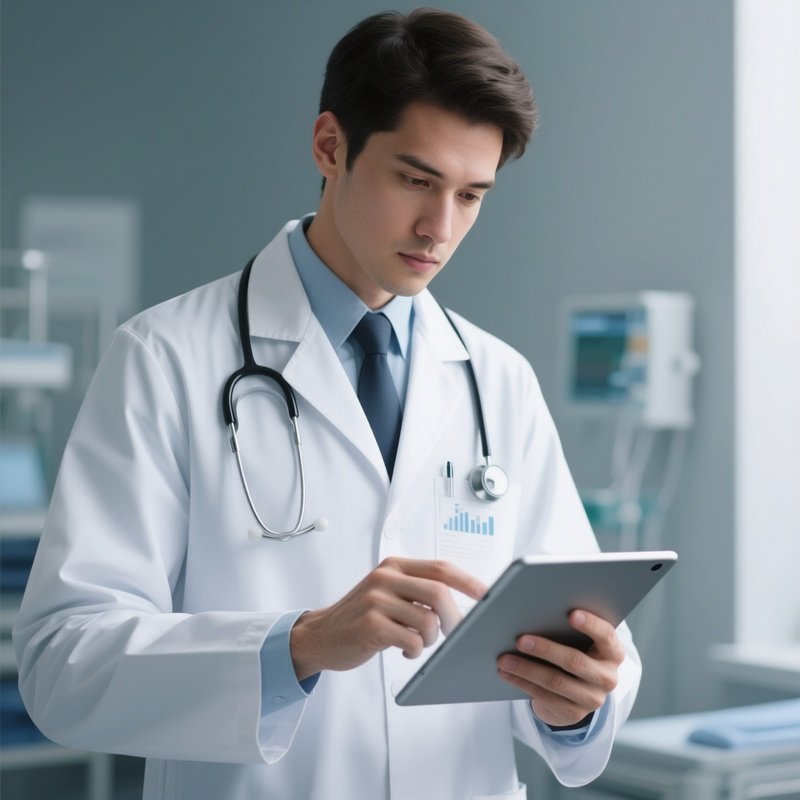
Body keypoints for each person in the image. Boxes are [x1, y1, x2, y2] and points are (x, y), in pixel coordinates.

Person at [13, 9, 641, 800]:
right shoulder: (165, 358)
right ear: (330, 146)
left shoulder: (496, 379)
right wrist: (300, 646)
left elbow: (571, 643)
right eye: (415, 180)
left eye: (471, 195)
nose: (438, 228)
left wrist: (577, 704)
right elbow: (63, 664)